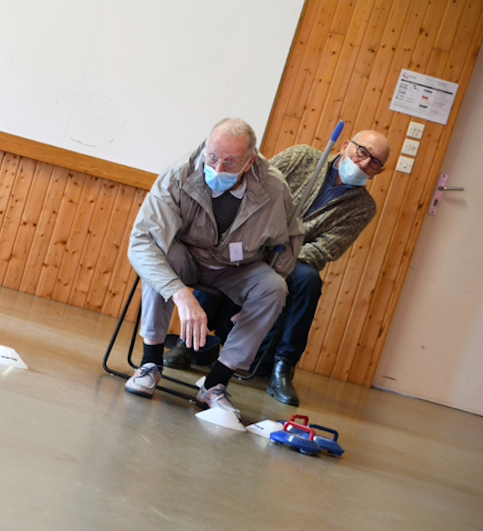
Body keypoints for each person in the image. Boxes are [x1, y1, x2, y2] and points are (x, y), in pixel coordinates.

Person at [163, 130, 389, 406]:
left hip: (295, 259)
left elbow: (327, 248)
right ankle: (189, 343)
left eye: (375, 162)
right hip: (251, 239)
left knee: (308, 281)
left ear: (378, 171)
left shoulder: (363, 207)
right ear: (344, 146)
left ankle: (283, 366)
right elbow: (253, 186)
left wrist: (281, 259)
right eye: (362, 152)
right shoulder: (302, 157)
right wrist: (257, 245)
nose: (365, 163)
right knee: (222, 253)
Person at [124, 118, 303, 420]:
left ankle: (215, 384)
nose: (218, 169)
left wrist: (251, 303)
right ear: (206, 148)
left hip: (237, 267)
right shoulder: (178, 175)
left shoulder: (273, 188)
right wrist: (180, 294)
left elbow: (288, 242)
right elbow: (141, 243)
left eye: (230, 162)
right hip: (186, 260)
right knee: (159, 256)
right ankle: (150, 363)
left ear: (250, 162)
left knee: (274, 287)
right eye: (213, 157)